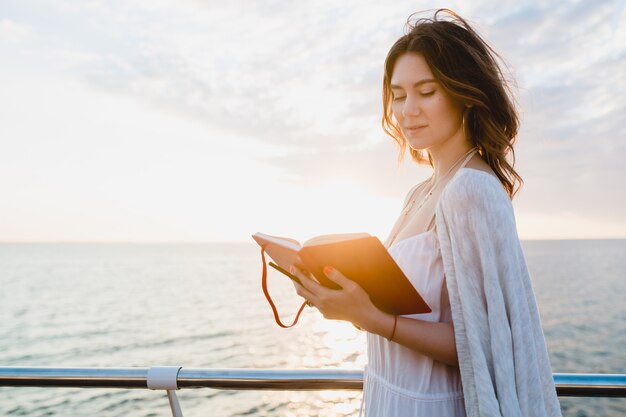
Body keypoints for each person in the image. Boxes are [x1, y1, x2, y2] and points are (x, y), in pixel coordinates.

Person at [290, 9, 562, 417]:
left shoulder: (471, 189)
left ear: (465, 93)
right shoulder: (421, 192)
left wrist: (368, 316)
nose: (407, 110)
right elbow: (403, 311)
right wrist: (343, 301)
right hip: (390, 396)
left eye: (426, 91)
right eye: (398, 95)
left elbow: (489, 348)